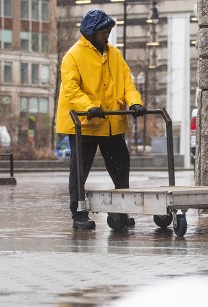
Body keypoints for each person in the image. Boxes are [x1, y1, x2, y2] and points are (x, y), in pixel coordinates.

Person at [56, 9, 146, 230]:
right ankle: (78, 213)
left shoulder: (114, 54)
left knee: (120, 164)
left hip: (110, 122)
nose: (106, 35)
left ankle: (121, 211)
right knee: (80, 169)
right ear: (90, 33)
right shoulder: (73, 56)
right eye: (102, 32)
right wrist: (89, 107)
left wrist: (134, 101)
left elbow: (127, 83)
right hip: (84, 123)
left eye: (108, 31)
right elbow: (72, 90)